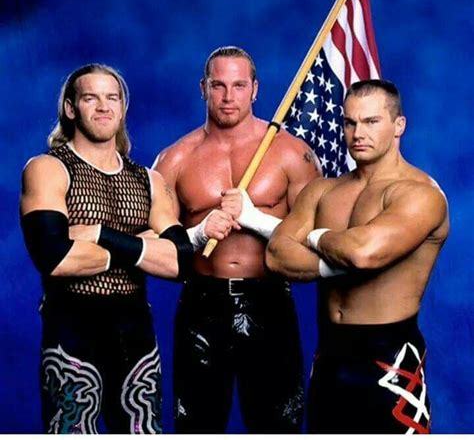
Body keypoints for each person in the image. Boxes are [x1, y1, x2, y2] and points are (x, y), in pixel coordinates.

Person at [266, 79, 449, 434]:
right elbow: (276, 255)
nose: (357, 133)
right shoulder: (323, 190)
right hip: (329, 357)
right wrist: (335, 258)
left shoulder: (421, 195)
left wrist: (315, 236)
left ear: (399, 126)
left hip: (390, 359)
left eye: (371, 122)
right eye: (350, 122)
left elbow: (364, 254)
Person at [153, 46, 321, 433]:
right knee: (196, 426)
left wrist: (256, 219)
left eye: (239, 85)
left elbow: (315, 241)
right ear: (203, 88)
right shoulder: (174, 159)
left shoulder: (293, 154)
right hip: (202, 302)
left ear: (255, 89)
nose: (229, 97)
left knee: (277, 426)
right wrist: (196, 235)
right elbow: (161, 249)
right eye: (219, 85)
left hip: (270, 299)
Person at [20, 63, 193, 434]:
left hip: (136, 331)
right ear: (70, 108)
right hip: (72, 327)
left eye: (112, 97)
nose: (103, 106)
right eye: (90, 97)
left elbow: (181, 263)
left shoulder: (149, 179)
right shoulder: (48, 169)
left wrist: (97, 233)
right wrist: (143, 247)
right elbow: (55, 258)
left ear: (123, 107)